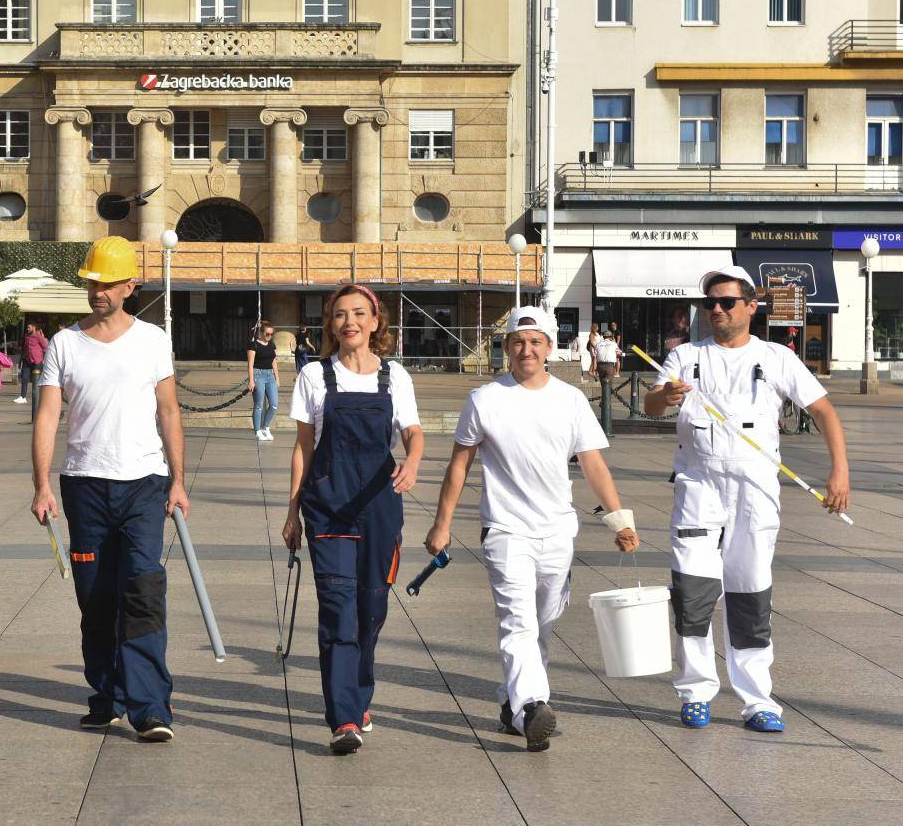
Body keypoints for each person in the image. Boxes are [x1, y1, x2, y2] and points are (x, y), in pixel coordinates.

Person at [643, 265, 850, 733]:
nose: (716, 309)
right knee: (692, 593)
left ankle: (757, 700)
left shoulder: (776, 357)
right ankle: (695, 692)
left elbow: (822, 410)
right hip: (697, 486)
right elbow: (654, 404)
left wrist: (840, 470)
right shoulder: (685, 356)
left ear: (750, 307)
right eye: (709, 303)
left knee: (751, 593)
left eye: (726, 302)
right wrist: (666, 396)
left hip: (755, 492)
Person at [425, 305, 638, 753]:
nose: (527, 350)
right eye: (518, 342)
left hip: (557, 531)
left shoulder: (571, 400)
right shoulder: (484, 399)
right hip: (505, 530)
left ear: (548, 348)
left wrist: (618, 519)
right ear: (506, 348)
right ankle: (532, 707)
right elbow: (458, 467)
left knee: (543, 624)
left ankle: (511, 703)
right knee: (517, 621)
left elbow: (594, 465)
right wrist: (442, 525)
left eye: (535, 342)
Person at [32, 236, 187, 742]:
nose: (95, 291)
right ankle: (107, 695)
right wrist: (41, 484)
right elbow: (49, 414)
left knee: (142, 591)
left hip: (143, 482)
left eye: (105, 283)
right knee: (95, 598)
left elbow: (168, 411)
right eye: (91, 282)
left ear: (129, 286)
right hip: (84, 485)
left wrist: (179, 481)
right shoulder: (64, 343)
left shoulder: (152, 340)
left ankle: (150, 708)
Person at [284, 283, 424, 754]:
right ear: (331, 323)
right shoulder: (314, 377)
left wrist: (414, 461)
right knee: (338, 611)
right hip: (327, 507)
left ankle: (359, 695)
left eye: (359, 313)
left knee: (371, 611)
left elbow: (413, 434)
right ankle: (344, 717)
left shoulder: (394, 377)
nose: (350, 322)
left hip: (380, 509)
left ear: (375, 322)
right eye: (341, 314)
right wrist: (292, 513)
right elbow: (303, 448)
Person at [248, 321, 279, 441]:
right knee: (259, 405)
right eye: (267, 334)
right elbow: (250, 364)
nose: (269, 336)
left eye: (271, 334)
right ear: (261, 333)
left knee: (274, 404)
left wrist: (277, 378)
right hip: (258, 374)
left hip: (270, 375)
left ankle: (266, 427)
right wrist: (251, 381)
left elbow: (274, 362)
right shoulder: (253, 345)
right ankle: (257, 430)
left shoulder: (271, 345)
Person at [15, 319, 49, 416]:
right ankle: (23, 397)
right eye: (27, 327)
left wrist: (44, 359)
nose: (27, 329)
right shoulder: (26, 336)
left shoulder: (38, 336)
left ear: (34, 327)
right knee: (24, 378)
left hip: (37, 361)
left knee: (37, 382)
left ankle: (40, 398)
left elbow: (45, 347)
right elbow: (24, 348)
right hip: (27, 360)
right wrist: (22, 358)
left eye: (29, 327)